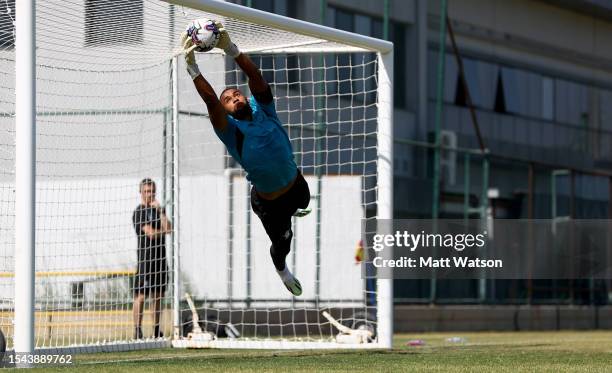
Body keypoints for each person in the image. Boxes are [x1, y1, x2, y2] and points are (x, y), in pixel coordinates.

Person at [180, 21, 310, 296]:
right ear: (225, 111)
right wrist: (193, 68)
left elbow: (255, 76)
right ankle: (282, 270)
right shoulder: (231, 130)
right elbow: (211, 102)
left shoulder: (264, 108)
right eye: (228, 99)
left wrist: (231, 49)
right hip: (269, 203)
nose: (234, 98)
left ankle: (297, 208)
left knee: (304, 200)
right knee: (283, 244)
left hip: (296, 184)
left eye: (237, 94)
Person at [132, 178, 172, 339]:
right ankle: (137, 330)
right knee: (141, 297)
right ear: (141, 192)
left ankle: (156, 330)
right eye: (147, 191)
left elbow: (169, 228)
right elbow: (150, 233)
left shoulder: (158, 211)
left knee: (158, 297)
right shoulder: (138, 212)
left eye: (152, 191)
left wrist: (161, 212)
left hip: (160, 261)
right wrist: (162, 231)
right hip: (145, 262)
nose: (150, 194)